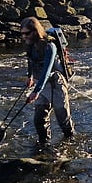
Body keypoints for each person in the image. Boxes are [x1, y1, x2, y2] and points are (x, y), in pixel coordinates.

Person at [20, 17, 74, 147]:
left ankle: (70, 144)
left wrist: (36, 91)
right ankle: (44, 146)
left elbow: (47, 70)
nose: (24, 36)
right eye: (22, 33)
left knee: (63, 120)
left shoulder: (50, 46)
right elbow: (30, 60)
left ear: (35, 31)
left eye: (27, 33)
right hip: (40, 84)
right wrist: (30, 76)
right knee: (39, 120)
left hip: (56, 84)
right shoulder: (30, 44)